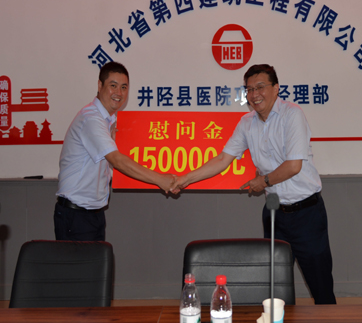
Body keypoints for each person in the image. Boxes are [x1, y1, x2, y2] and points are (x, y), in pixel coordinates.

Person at [173, 64, 336, 304]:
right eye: (249, 89)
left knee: (320, 286)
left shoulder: (292, 114)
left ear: (276, 88)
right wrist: (184, 179)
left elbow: (294, 166)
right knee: (274, 289)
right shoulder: (247, 122)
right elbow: (222, 159)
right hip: (274, 215)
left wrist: (264, 181)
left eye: (260, 87)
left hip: (307, 214)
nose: (254, 94)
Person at [55, 61, 176, 241]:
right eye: (113, 86)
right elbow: (117, 160)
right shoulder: (91, 118)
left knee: (98, 261)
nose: (119, 93)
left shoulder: (109, 122)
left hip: (93, 214)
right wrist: (160, 180)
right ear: (100, 85)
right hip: (76, 216)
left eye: (124, 87)